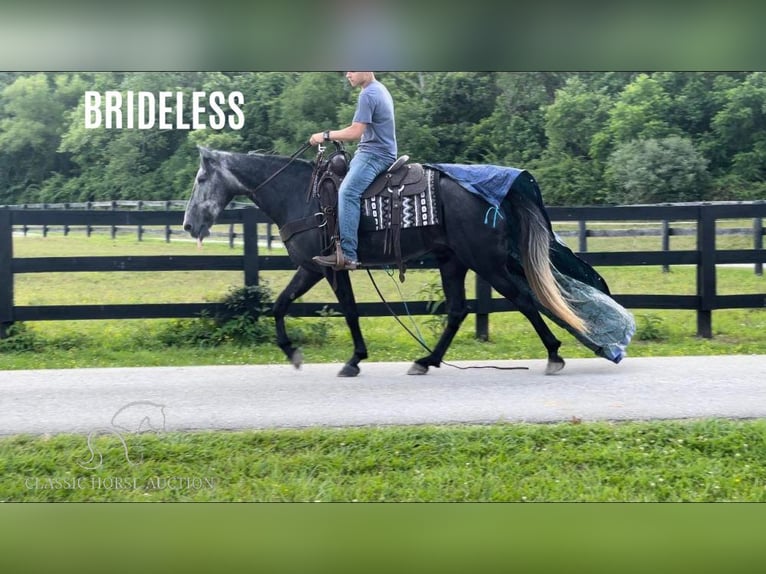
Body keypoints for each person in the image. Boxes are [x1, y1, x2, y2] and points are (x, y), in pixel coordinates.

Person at [309, 71, 397, 270]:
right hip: (375, 151)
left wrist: (325, 135)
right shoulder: (378, 89)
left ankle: (348, 254)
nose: (347, 74)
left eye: (351, 69)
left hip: (374, 155)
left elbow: (356, 132)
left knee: (348, 192)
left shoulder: (368, 95)